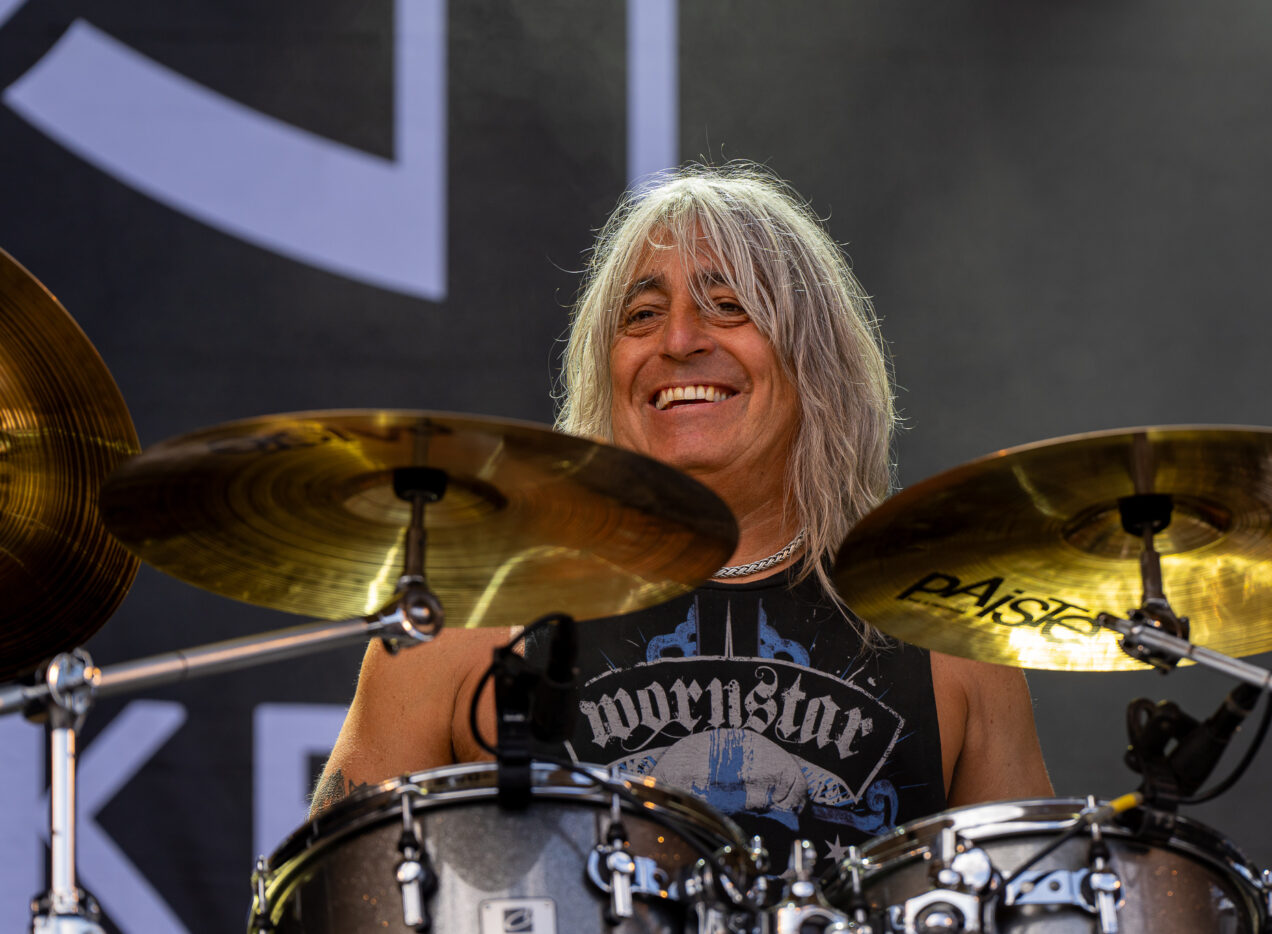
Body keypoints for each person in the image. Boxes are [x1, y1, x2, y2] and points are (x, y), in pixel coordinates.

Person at [313, 162, 1052, 868]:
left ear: (816, 362)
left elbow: (1039, 903)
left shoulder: (948, 635)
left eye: (730, 307)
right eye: (642, 315)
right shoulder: (470, 619)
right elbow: (335, 897)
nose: (678, 340)